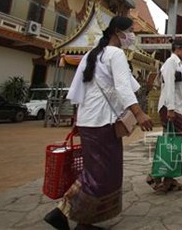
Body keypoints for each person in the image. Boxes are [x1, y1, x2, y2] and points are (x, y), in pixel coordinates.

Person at [44, 16, 154, 230]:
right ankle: (70, 216)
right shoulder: (116, 54)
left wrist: (79, 118)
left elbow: (80, 90)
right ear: (117, 32)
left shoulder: (92, 54)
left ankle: (75, 218)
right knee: (102, 175)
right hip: (102, 122)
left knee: (95, 172)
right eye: (131, 31)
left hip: (89, 120)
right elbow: (124, 88)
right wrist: (139, 114)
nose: (133, 36)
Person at [146, 37, 182, 193]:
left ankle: (168, 179)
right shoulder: (170, 63)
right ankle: (157, 176)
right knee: (178, 144)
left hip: (176, 108)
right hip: (170, 108)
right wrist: (171, 109)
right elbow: (170, 87)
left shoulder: (178, 64)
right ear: (178, 48)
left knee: (174, 144)